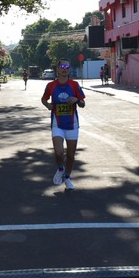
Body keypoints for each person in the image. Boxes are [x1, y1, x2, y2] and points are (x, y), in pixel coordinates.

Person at [41, 58, 86, 191]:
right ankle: (61, 169)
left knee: (71, 155)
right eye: (62, 66)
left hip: (72, 124)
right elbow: (43, 99)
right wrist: (48, 105)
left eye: (67, 67)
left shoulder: (74, 85)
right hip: (57, 123)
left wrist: (77, 100)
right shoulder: (51, 85)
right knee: (59, 153)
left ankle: (67, 177)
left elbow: (83, 104)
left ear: (69, 69)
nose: (64, 69)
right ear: (57, 69)